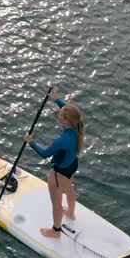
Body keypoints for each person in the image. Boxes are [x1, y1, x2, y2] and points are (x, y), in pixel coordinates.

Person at [23, 87, 85, 237]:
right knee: (69, 188)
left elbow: (44, 154)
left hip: (59, 173)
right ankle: (70, 212)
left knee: (56, 202)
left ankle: (56, 231)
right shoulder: (77, 126)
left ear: (65, 121)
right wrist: (55, 99)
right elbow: (66, 109)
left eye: (60, 115)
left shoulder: (62, 140)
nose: (58, 114)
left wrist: (30, 142)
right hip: (71, 165)